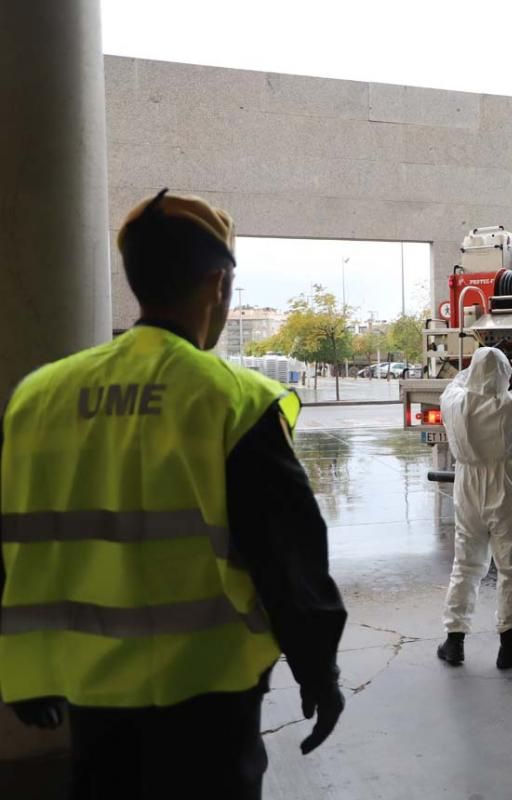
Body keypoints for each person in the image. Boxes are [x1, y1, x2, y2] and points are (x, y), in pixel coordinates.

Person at [0, 189, 347, 799]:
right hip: (208, 702)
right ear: (218, 284)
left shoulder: (38, 397)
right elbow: (288, 556)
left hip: (90, 692)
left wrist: (22, 673)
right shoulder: (231, 399)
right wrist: (318, 667)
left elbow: (18, 536)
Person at [437, 346, 512, 669]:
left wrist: (478, 362)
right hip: (504, 489)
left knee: (466, 562)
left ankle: (454, 640)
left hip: (467, 487)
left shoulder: (453, 401)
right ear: (504, 377)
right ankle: (510, 644)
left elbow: (460, 381)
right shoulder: (508, 407)